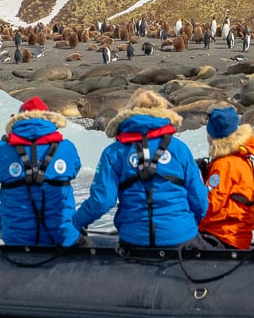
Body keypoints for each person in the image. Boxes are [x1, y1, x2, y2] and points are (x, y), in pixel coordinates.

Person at [74, 89, 207, 246]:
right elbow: (199, 199)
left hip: (134, 239)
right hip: (181, 236)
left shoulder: (114, 152)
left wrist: (74, 223)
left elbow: (102, 201)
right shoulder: (179, 149)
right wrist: (190, 224)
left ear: (129, 111)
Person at [0, 97, 81, 245]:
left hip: (17, 241)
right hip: (63, 240)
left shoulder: (2, 150)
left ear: (17, 120)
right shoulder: (67, 148)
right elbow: (75, 170)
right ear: (50, 119)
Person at [199, 106, 254, 248]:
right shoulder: (241, 157)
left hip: (222, 237)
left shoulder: (223, 164)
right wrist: (206, 175)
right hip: (237, 235)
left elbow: (211, 204)